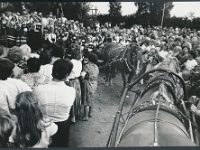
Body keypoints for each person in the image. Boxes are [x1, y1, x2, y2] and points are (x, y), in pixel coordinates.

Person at [33, 59, 75, 147]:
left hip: (43, 124)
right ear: (67, 75)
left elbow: (35, 107)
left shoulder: (39, 89)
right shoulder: (71, 91)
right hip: (63, 125)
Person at [81, 53, 99, 121]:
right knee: (91, 99)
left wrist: (82, 79)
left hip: (88, 84)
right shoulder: (96, 67)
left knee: (86, 101)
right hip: (94, 83)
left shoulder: (86, 66)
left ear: (89, 59)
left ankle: (85, 116)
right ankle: (90, 113)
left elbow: (82, 75)